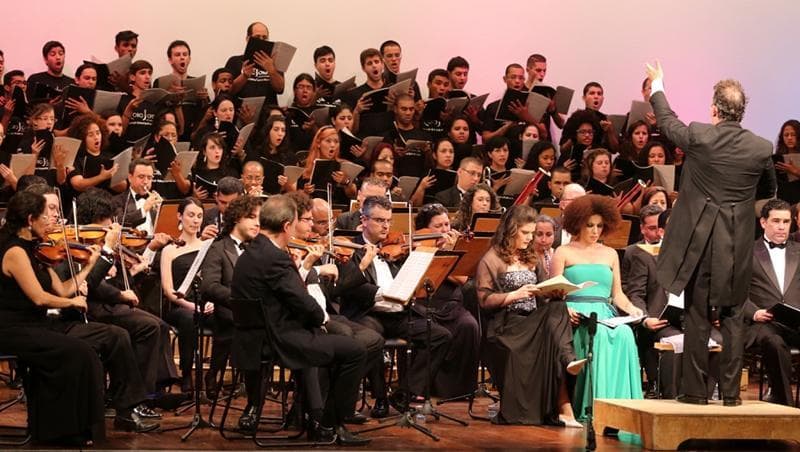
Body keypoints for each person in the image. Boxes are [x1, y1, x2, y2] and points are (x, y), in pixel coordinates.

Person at [645, 60, 775, 405]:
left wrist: (658, 85)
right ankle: (731, 396)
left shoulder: (701, 135)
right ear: (742, 112)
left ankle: (695, 393)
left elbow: (668, 122)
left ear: (715, 108)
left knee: (697, 314)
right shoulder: (761, 148)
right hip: (736, 243)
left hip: (701, 242)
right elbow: (768, 191)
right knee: (733, 315)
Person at [230, 194, 370, 446]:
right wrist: (320, 320)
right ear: (286, 226)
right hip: (278, 339)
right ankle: (329, 425)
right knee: (355, 351)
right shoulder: (276, 258)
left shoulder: (250, 253)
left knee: (341, 344)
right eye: (295, 223)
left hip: (253, 337)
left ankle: (312, 415)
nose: (296, 228)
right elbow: (302, 301)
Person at [0, 191, 104, 446]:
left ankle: (69, 429)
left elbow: (63, 289)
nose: (50, 220)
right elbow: (39, 298)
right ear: (29, 219)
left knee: (85, 350)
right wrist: (72, 303)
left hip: (34, 325)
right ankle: (62, 431)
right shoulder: (14, 251)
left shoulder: (36, 249)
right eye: (44, 216)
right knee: (78, 352)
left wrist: (90, 265)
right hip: (11, 328)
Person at [335, 195, 452, 402]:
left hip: (398, 313)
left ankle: (405, 392)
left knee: (440, 336)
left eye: (388, 221)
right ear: (364, 220)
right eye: (380, 221)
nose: (386, 226)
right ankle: (380, 398)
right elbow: (350, 288)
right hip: (367, 313)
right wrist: (385, 293)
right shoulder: (350, 248)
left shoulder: (397, 249)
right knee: (374, 340)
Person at [476, 205, 584, 426]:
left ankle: (567, 369)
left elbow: (544, 290)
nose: (530, 238)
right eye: (525, 233)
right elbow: (484, 300)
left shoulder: (531, 256)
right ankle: (567, 366)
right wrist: (514, 295)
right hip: (507, 324)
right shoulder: (492, 258)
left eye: (531, 233)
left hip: (532, 320)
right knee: (556, 321)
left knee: (558, 306)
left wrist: (555, 293)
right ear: (511, 230)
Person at [551, 194, 644, 420]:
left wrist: (632, 309)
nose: (595, 231)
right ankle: (594, 406)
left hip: (605, 312)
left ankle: (620, 408)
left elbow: (617, 294)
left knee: (624, 335)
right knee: (599, 335)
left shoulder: (610, 253)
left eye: (600, 226)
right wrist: (565, 310)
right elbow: (553, 292)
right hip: (575, 313)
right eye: (589, 225)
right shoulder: (563, 251)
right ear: (578, 224)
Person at [200, 195, 262, 405]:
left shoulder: (258, 249)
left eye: (259, 218)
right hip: (229, 312)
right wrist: (239, 300)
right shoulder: (218, 248)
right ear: (236, 218)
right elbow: (209, 286)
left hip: (257, 312)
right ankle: (251, 397)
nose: (257, 223)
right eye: (252, 217)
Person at [743, 199, 800, 406]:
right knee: (774, 343)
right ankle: (786, 405)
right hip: (763, 323)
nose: (781, 227)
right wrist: (754, 312)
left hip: (795, 323)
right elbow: (734, 294)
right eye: (776, 221)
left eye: (786, 222)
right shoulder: (747, 252)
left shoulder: (798, 251)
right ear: (763, 223)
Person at [159, 197, 210, 392]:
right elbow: (168, 290)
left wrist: (211, 303)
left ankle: (213, 377)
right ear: (180, 216)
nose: (195, 220)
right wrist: (193, 306)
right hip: (180, 308)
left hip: (206, 305)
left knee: (228, 316)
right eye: (190, 215)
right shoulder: (170, 250)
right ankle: (187, 375)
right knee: (189, 319)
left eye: (199, 216)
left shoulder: (207, 247)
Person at [225, 22, 285, 105]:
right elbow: (228, 91)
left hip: (268, 111)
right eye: (257, 37)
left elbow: (280, 89)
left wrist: (271, 71)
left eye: (264, 38)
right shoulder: (234, 61)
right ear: (248, 39)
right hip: (242, 111)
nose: (261, 40)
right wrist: (244, 76)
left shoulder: (274, 62)